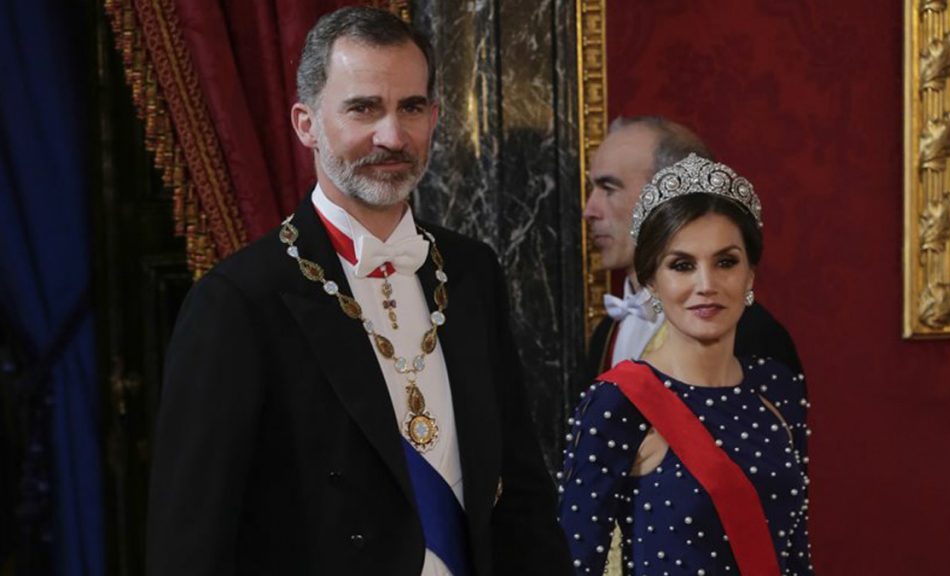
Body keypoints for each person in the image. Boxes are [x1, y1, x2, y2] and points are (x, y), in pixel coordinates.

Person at [145, 7, 571, 576]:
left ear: (434, 118)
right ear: (307, 124)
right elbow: (191, 540)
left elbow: (520, 491)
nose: (392, 137)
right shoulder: (238, 301)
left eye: (410, 108)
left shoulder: (471, 272)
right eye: (363, 108)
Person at [559, 154, 812, 575]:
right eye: (682, 265)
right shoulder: (616, 404)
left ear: (750, 274)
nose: (706, 285)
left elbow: (798, 556)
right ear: (652, 281)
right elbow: (574, 563)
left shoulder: (776, 387)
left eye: (726, 262)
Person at [579, 117, 802, 398]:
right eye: (593, 190)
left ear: (671, 200)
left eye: (609, 189)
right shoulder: (607, 332)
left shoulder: (752, 335)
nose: (590, 211)